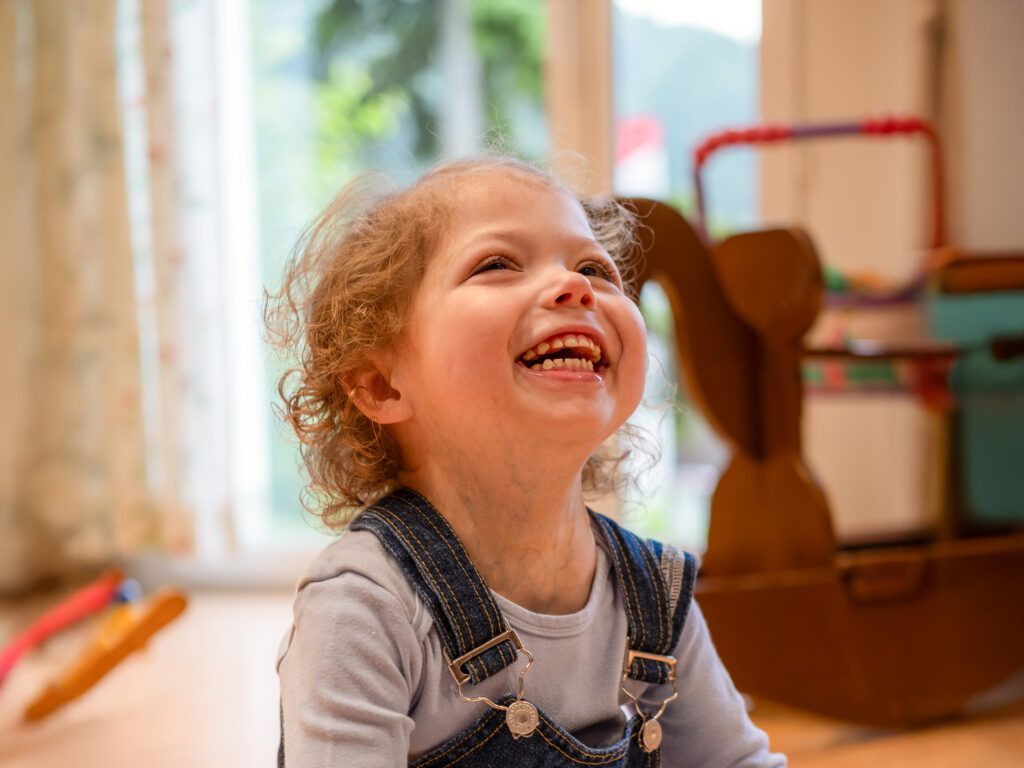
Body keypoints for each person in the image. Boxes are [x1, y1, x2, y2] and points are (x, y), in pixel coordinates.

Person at [268, 156, 786, 767]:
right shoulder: (363, 609)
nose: (576, 285)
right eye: (497, 264)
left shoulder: (652, 597)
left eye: (594, 268)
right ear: (382, 385)